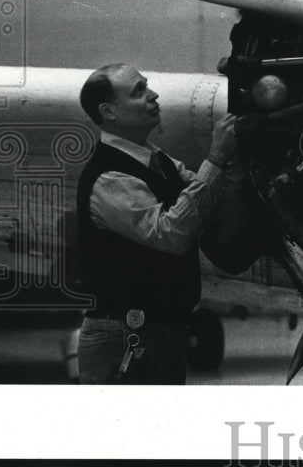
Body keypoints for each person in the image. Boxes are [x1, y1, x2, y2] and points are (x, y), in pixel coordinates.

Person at [75, 63, 237, 384]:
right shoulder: (110, 177)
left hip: (156, 331)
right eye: (138, 91)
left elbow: (209, 196)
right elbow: (171, 234)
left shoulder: (156, 160)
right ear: (109, 111)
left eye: (147, 86)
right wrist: (217, 156)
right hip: (127, 336)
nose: (153, 94)